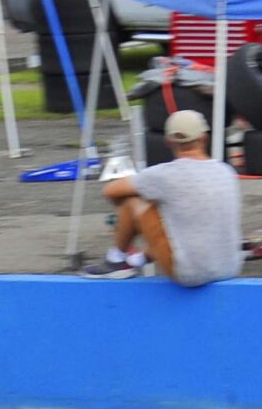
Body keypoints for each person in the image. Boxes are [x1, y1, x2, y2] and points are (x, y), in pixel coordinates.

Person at [88, 110, 242, 285]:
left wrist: (124, 223)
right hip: (229, 267)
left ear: (168, 142)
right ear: (204, 138)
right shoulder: (227, 172)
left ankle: (116, 260)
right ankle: (136, 260)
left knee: (133, 201)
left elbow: (110, 191)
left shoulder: (164, 175)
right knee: (186, 220)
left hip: (192, 274)